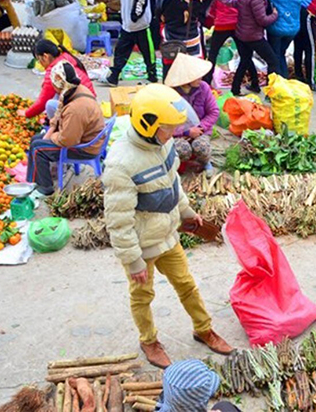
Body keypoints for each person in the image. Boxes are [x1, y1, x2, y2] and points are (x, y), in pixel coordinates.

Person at [103, 84, 234, 369]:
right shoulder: (121, 163)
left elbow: (173, 184)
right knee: (142, 295)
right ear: (146, 124)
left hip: (168, 234)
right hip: (142, 244)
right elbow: (118, 219)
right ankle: (148, 340)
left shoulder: (163, 145)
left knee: (187, 284)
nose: (172, 133)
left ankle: (204, 329)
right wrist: (133, 260)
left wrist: (187, 212)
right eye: (167, 128)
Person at [24, 62, 105, 199]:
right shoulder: (73, 89)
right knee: (35, 140)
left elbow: (67, 140)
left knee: (38, 149)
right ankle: (34, 180)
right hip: (83, 136)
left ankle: (46, 188)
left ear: (60, 83)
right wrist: (52, 127)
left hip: (85, 148)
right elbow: (59, 112)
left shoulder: (75, 109)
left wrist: (52, 135)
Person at [100, 0, 157, 86]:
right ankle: (114, 76)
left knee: (147, 52)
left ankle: (152, 75)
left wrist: (134, 15)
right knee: (121, 50)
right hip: (127, 23)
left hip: (140, 23)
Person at [164, 55, 219, 172]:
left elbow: (213, 112)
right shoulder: (170, 93)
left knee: (202, 147)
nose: (201, 77)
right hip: (178, 133)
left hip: (200, 131)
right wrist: (185, 131)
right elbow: (164, 122)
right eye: (196, 76)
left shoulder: (204, 88)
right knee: (182, 150)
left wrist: (200, 128)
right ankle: (178, 166)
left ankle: (205, 162)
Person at [231, 0, 279, 95]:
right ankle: (272, 93)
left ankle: (239, 88)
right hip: (253, 36)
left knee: (245, 60)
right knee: (273, 61)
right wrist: (275, 14)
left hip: (241, 32)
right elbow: (263, 20)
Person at [24, 40, 96, 121]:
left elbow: (42, 102)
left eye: (38, 59)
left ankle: (58, 124)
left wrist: (26, 114)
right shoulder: (66, 57)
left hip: (83, 110)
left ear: (45, 56)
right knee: (54, 95)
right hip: (92, 102)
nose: (39, 63)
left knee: (49, 105)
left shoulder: (54, 70)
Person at [265, 0, 305, 78]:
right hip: (293, 28)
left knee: (274, 57)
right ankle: (284, 82)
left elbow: (264, 0)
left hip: (275, 28)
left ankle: (277, 85)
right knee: (281, 53)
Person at [206, 0, 245, 78]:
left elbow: (213, 4)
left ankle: (207, 81)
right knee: (244, 54)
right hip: (237, 22)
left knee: (212, 54)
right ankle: (254, 81)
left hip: (222, 23)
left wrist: (210, 20)